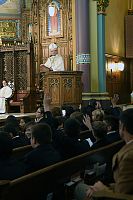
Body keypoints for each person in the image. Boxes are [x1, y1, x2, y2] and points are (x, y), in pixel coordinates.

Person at [75, 108, 133, 200]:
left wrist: (103, 190)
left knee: (79, 188)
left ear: (123, 128)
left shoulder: (128, 157)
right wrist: (108, 187)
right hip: (114, 186)